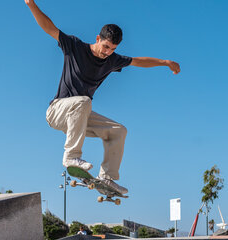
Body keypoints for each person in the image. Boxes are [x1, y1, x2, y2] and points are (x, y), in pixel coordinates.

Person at [25, 0, 180, 194]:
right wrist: (31, 4)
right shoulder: (75, 46)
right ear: (98, 38)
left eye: (112, 49)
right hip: (57, 111)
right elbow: (49, 27)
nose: (108, 52)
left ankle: (107, 179)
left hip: (78, 118)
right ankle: (71, 156)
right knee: (84, 101)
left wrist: (164, 62)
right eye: (106, 46)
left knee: (118, 131)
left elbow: (138, 61)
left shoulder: (112, 60)